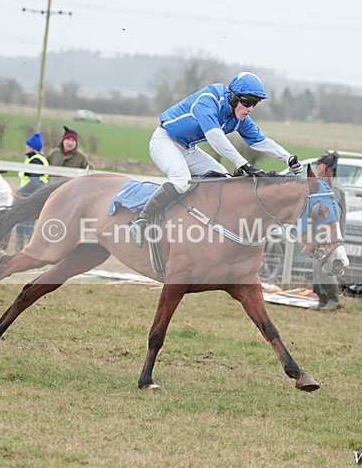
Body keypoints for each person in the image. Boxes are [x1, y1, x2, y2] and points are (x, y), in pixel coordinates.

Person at [128, 71, 303, 247]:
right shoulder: (209, 99)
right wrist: (244, 164)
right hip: (165, 141)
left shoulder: (239, 118)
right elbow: (215, 137)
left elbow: (260, 141)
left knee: (224, 180)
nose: (250, 109)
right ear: (233, 98)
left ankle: (203, 224)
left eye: (254, 104)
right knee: (181, 181)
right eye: (247, 102)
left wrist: (287, 158)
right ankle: (141, 220)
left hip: (188, 149)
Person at [311, 151, 346, 311]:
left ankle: (334, 299)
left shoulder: (334, 188)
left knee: (326, 268)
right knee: (317, 268)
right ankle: (322, 300)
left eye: (319, 165)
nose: (317, 167)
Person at [15, 132, 50, 251]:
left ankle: (25, 250)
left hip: (30, 196)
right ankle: (22, 250)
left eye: (28, 145)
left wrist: (20, 192)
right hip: (30, 196)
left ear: (32, 147)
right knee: (25, 225)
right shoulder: (33, 159)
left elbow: (34, 182)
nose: (26, 147)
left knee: (26, 225)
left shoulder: (36, 160)